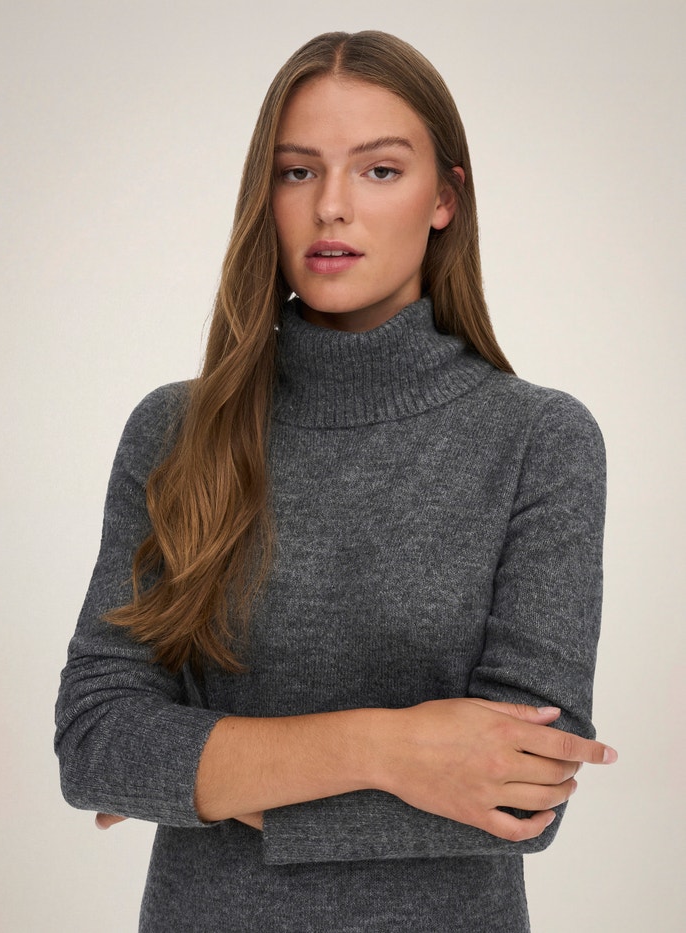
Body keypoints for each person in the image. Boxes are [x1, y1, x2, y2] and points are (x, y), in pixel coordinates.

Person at [55, 30, 616, 933]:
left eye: (380, 170)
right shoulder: (174, 431)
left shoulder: (538, 440)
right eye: (298, 171)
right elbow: (96, 743)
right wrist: (392, 746)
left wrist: (211, 777)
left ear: (445, 198)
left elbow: (519, 794)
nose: (332, 207)